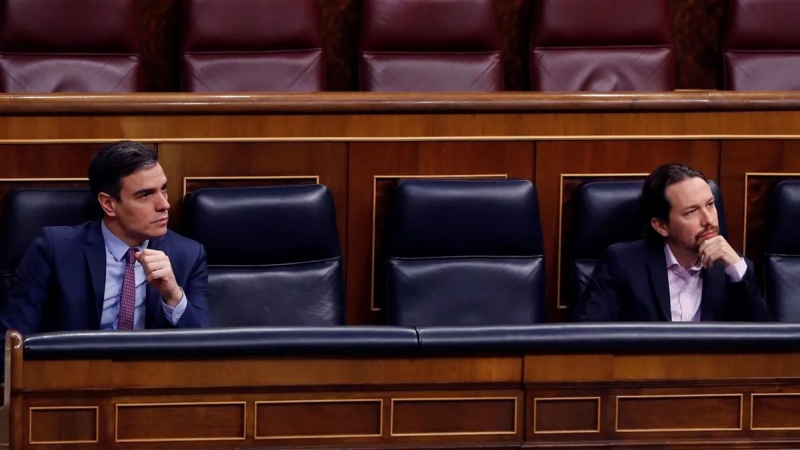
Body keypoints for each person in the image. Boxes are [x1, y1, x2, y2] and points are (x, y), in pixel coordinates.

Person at [0, 141, 209, 336]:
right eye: (145, 195)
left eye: (163, 188)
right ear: (109, 204)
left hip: (152, 374)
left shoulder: (187, 255)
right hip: (76, 372)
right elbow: (12, 341)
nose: (164, 204)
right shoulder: (55, 250)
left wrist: (173, 296)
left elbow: (205, 350)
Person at [574, 163, 771, 322]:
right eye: (691, 211)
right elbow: (589, 338)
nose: (708, 220)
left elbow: (765, 345)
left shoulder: (731, 269)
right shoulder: (623, 263)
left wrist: (737, 269)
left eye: (710, 205)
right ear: (661, 226)